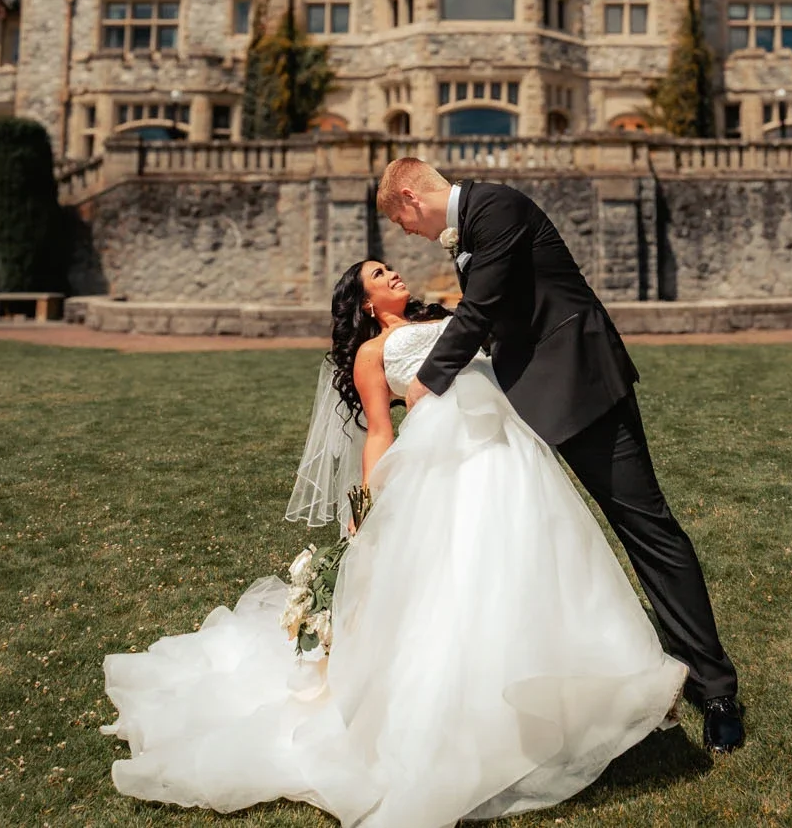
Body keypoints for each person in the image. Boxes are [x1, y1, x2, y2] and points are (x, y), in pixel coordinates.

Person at [102, 259, 686, 827]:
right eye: (378, 276)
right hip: (445, 464)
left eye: (390, 268)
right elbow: (380, 431)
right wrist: (364, 512)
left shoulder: (452, 315)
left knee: (536, 568)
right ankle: (471, 720)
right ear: (364, 304)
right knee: (461, 583)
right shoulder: (372, 353)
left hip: (512, 452)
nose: (394, 275)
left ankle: (571, 694)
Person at [377, 157, 745, 753]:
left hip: (582, 385)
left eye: (402, 223)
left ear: (411, 199)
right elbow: (503, 315)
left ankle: (716, 687)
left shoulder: (496, 208)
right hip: (532, 396)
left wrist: (428, 381)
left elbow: (484, 307)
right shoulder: (470, 228)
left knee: (646, 527)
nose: (408, 235)